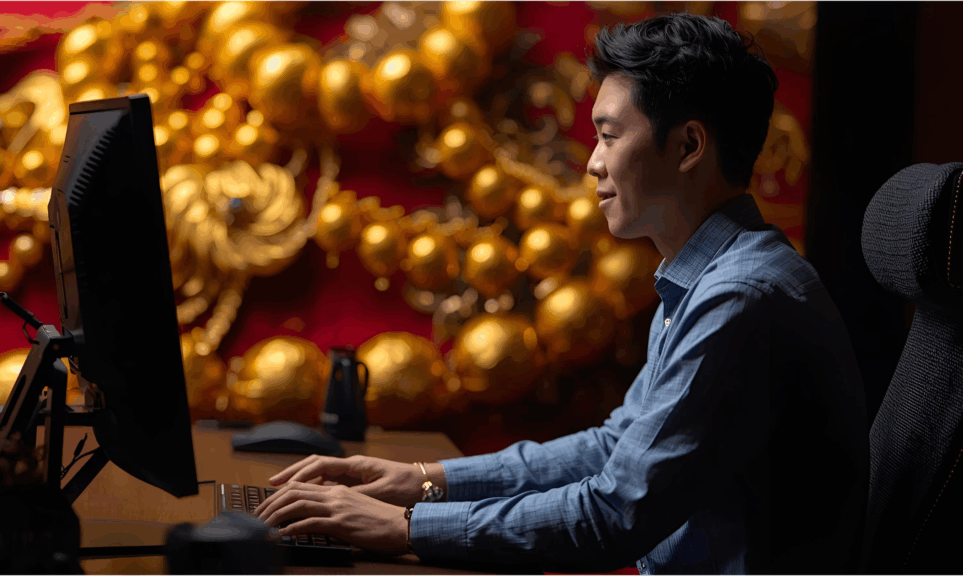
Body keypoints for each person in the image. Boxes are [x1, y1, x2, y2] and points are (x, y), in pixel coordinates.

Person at [253, 13, 870, 574]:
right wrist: (421, 482)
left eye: (609, 136)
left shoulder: (740, 297)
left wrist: (403, 527)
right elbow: (613, 447)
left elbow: (613, 515)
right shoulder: (712, 274)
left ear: (688, 146)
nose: (592, 164)